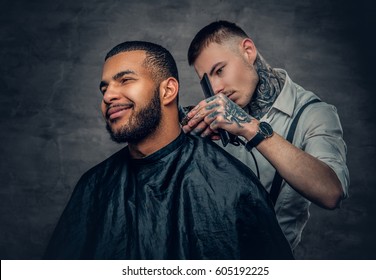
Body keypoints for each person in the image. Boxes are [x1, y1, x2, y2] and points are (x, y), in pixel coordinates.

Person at [44, 41, 293, 260]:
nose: (108, 95)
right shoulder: (93, 186)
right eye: (104, 89)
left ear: (168, 90)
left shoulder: (234, 186)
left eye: (125, 80)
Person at [182, 21, 350, 250]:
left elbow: (332, 193)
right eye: (207, 81)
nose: (216, 87)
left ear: (248, 51)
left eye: (219, 70)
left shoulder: (314, 114)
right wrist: (186, 138)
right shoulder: (215, 119)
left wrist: (249, 128)